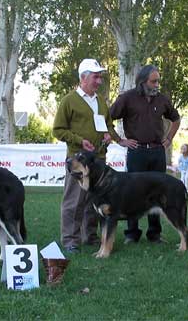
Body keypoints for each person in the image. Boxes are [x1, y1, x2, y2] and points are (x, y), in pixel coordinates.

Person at [53, 58, 119, 253]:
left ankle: (89, 236)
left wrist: (109, 135)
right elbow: (57, 130)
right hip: (78, 161)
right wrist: (80, 141)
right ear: (83, 77)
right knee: (74, 201)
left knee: (94, 201)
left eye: (100, 77)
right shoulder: (69, 101)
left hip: (98, 161)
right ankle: (70, 241)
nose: (99, 81)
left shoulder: (100, 101)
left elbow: (108, 125)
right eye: (96, 77)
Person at [110, 64, 181, 244]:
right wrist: (120, 140)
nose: (157, 85)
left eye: (158, 81)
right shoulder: (127, 98)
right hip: (136, 152)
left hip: (157, 152)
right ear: (142, 82)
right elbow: (107, 118)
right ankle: (132, 234)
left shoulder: (162, 100)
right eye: (153, 81)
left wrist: (169, 138)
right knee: (132, 193)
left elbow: (176, 118)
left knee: (158, 193)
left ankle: (154, 234)